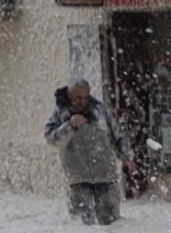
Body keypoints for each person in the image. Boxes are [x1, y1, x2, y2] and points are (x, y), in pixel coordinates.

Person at [44, 77, 134, 225]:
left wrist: (126, 156)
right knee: (82, 227)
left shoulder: (100, 111)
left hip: (105, 176)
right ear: (70, 95)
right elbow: (51, 138)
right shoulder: (59, 114)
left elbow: (118, 135)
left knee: (113, 226)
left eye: (86, 97)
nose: (83, 101)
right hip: (78, 179)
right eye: (78, 97)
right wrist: (69, 126)